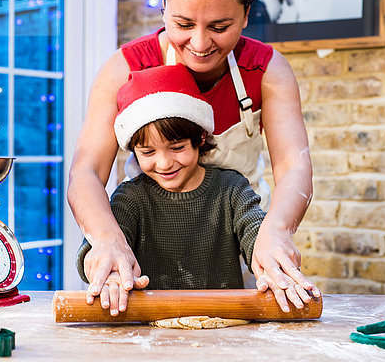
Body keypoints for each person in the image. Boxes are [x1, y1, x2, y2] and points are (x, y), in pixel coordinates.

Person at [67, 0, 317, 314]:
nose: (199, 43)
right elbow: (85, 173)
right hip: (141, 271)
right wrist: (107, 240)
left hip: (233, 264)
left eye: (220, 26)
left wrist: (275, 233)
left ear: (246, 14)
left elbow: (293, 166)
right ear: (164, 6)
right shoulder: (125, 68)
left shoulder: (266, 70)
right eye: (183, 24)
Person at [76, 64, 281, 315]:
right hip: (148, 332)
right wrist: (108, 273)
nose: (164, 164)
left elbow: (257, 236)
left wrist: (273, 262)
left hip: (223, 328)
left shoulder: (231, 190)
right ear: (133, 151)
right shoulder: (131, 198)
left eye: (176, 148)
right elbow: (95, 251)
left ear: (201, 138)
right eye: (148, 152)